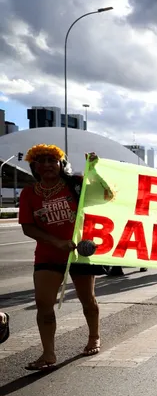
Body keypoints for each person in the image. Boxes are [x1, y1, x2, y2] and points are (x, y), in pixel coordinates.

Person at [17, 145, 104, 370]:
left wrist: (93, 170)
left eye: (52, 160)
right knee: (44, 304)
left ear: (60, 164)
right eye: (42, 161)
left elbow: (106, 195)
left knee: (88, 300)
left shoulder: (75, 184)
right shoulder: (29, 193)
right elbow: (28, 227)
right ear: (34, 166)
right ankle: (48, 354)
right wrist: (56, 242)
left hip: (79, 254)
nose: (47, 165)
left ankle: (94, 336)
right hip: (47, 256)